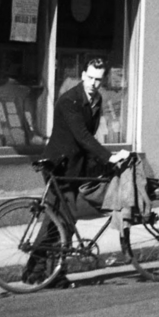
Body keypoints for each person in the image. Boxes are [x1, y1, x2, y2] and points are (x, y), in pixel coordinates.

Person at [30, 56, 130, 281]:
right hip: (59, 166)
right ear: (83, 75)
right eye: (91, 78)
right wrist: (108, 157)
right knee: (59, 220)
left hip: (76, 167)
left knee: (60, 220)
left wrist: (102, 162)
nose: (94, 84)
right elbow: (82, 135)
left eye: (98, 80)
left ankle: (40, 272)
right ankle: (44, 273)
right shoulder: (69, 101)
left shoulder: (97, 99)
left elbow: (90, 135)